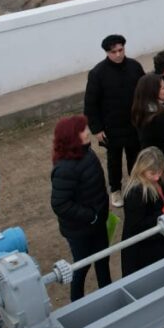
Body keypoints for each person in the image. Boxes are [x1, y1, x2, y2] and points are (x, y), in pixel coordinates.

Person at [50, 115, 111, 302]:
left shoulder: (86, 152)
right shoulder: (65, 168)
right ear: (73, 137)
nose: (87, 131)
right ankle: (76, 303)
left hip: (97, 222)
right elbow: (60, 204)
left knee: (103, 260)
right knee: (81, 266)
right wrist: (90, 216)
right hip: (80, 230)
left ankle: (109, 296)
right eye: (83, 130)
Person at [119, 148, 164, 328]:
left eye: (160, 172)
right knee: (150, 287)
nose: (157, 176)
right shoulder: (136, 192)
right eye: (153, 173)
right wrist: (163, 213)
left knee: (157, 284)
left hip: (155, 244)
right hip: (143, 250)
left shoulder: (154, 183)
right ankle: (157, 323)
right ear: (142, 171)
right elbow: (137, 227)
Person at [84, 34, 145, 208]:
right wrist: (96, 129)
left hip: (134, 124)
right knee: (114, 161)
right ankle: (116, 190)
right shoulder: (97, 73)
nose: (118, 54)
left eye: (121, 50)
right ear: (107, 52)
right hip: (111, 127)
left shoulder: (134, 67)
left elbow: (144, 92)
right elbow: (91, 103)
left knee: (136, 157)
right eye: (114, 52)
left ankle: (135, 186)